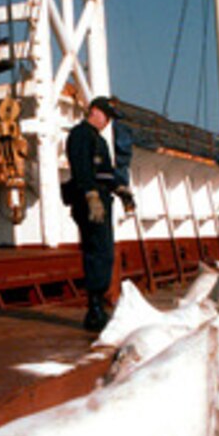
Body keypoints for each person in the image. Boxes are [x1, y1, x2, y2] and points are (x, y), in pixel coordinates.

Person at [63, 95, 136, 332]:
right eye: (107, 116)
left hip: (102, 200)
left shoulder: (99, 141)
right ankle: (94, 308)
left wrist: (122, 190)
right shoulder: (80, 135)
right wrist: (90, 195)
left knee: (104, 252)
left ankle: (97, 306)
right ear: (95, 111)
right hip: (90, 201)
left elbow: (106, 173)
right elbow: (81, 168)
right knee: (97, 251)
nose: (108, 122)